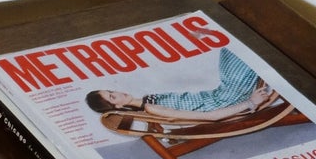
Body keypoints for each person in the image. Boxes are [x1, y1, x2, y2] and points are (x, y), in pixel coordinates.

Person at [85, 49, 276, 125]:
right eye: (112, 97)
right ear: (117, 107)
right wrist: (251, 102)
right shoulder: (152, 108)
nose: (117, 92)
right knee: (238, 48)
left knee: (229, 46)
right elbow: (211, 116)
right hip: (230, 97)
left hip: (224, 90)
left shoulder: (147, 100)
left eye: (111, 91)